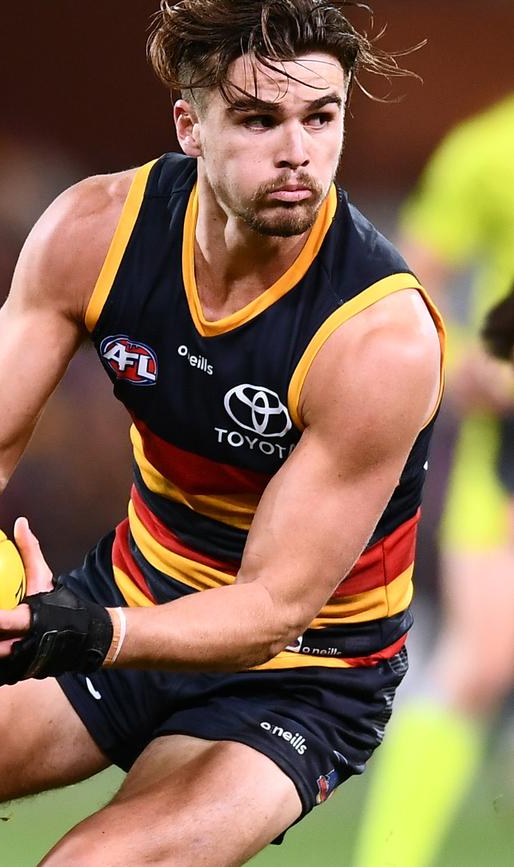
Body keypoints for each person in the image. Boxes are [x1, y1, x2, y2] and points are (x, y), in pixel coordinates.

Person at [0, 2, 444, 865]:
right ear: (191, 127)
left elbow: (271, 609)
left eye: (322, 117)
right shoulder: (94, 231)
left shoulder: (378, 339)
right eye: (258, 118)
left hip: (300, 674)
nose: (298, 151)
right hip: (134, 589)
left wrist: (88, 630)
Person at [352, 94, 514, 867]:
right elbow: (411, 282)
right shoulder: (488, 149)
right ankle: (391, 858)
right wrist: (469, 370)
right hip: (509, 451)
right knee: (483, 656)